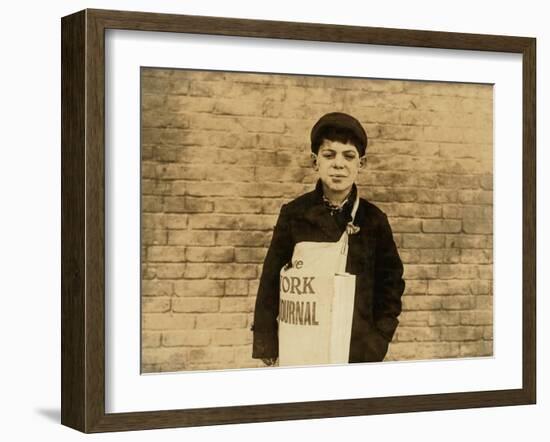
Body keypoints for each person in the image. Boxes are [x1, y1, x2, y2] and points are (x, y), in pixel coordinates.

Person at [252, 112, 405, 366]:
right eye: (329, 154)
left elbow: (391, 286)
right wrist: (267, 341)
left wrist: (377, 340)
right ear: (315, 162)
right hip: (303, 344)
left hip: (355, 348)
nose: (338, 164)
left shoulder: (374, 220)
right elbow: (270, 280)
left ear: (361, 164)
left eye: (349, 156)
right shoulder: (294, 214)